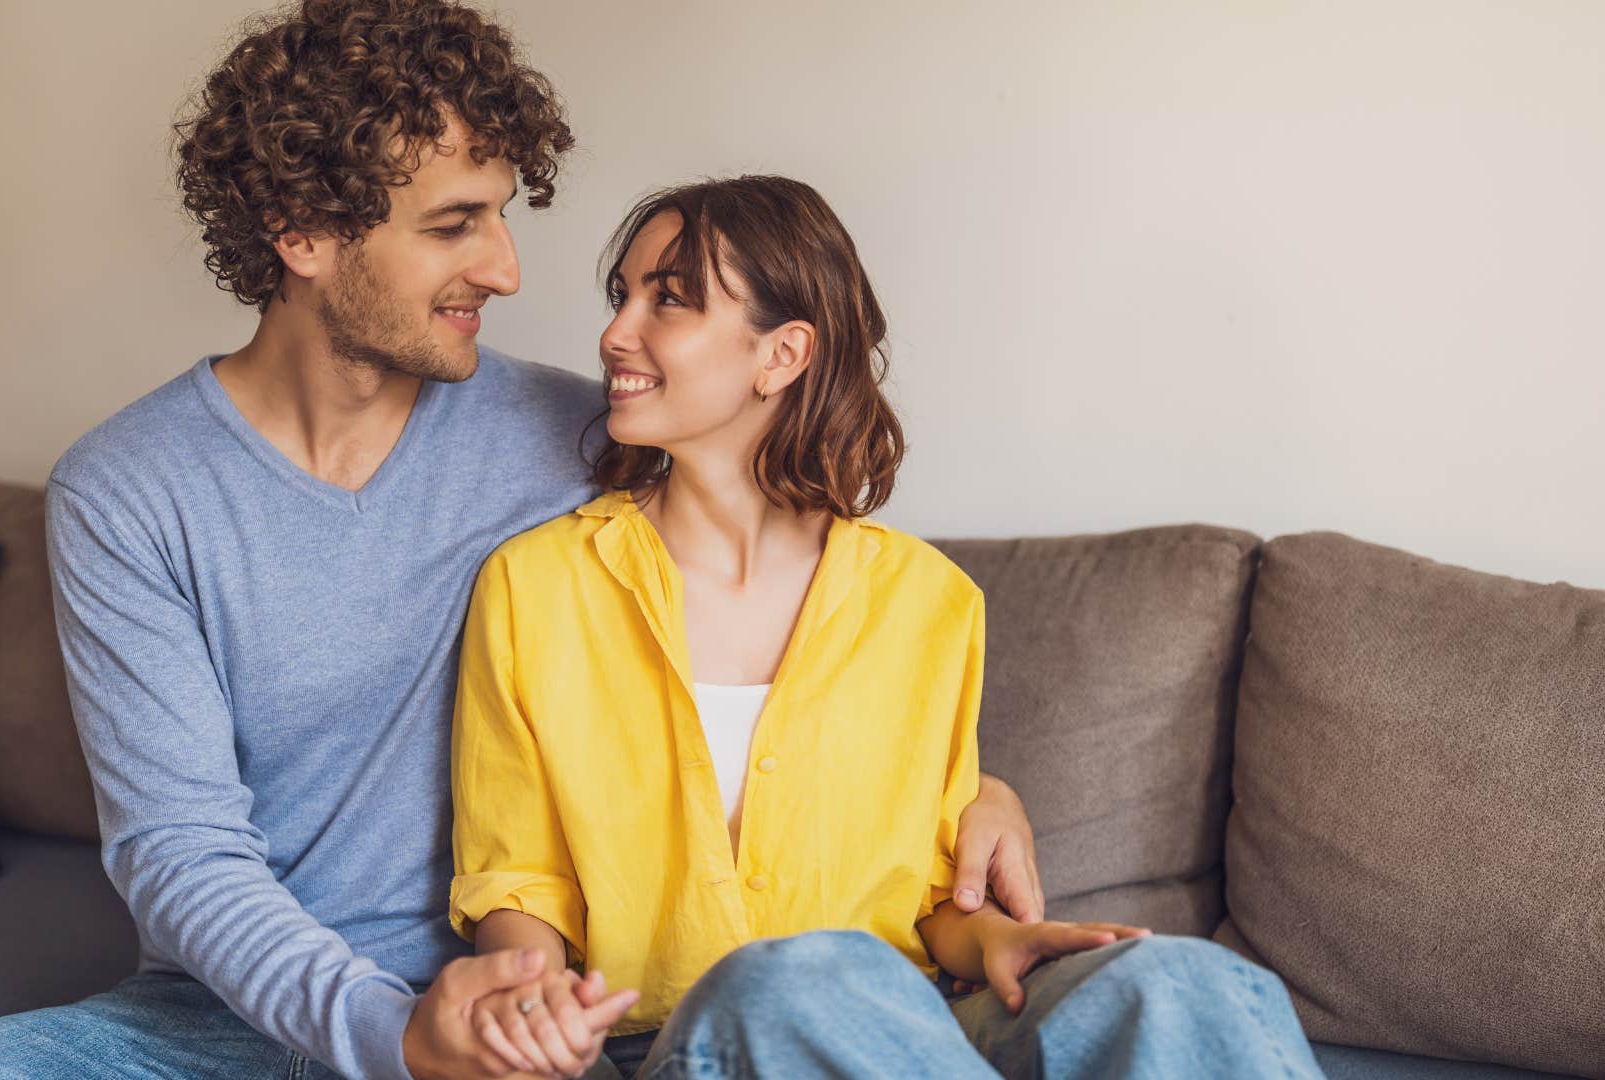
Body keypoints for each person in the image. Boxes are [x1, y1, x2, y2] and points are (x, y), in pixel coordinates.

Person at [0, 5, 1045, 1079]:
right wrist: (396, 1036)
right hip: (232, 1023)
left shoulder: (583, 435)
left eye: (502, 216)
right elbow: (180, 852)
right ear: (303, 232)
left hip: (529, 1018)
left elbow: (805, 594)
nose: (505, 270)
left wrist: (973, 796)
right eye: (457, 224)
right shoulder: (128, 490)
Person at [447, 176, 1326, 1080]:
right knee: (793, 979)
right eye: (621, 295)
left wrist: (995, 938)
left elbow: (932, 892)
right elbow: (517, 879)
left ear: (782, 354)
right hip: (681, 1039)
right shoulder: (536, 585)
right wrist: (529, 1002)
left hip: (909, 1030)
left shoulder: (927, 600)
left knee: (1181, 981)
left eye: (667, 298)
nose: (615, 333)